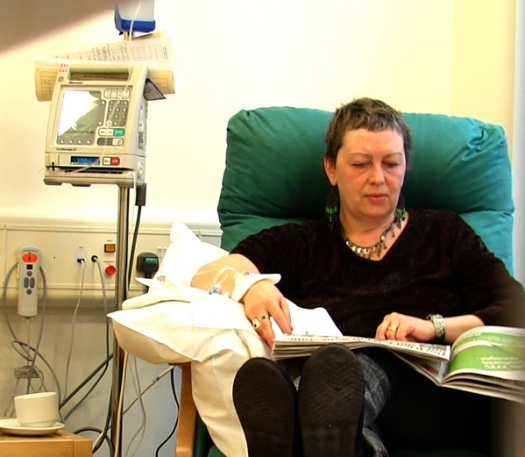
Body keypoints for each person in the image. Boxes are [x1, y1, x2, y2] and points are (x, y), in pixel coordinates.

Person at [191, 97, 525, 457]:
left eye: (392, 164)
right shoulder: (302, 244)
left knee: (342, 375)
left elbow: (514, 306)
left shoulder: (446, 235)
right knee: (330, 383)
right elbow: (204, 274)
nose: (378, 178)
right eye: (361, 164)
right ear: (331, 169)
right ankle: (338, 440)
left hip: (431, 406)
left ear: (406, 166)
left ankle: (292, 430)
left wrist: (434, 327)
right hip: (333, 404)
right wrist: (249, 285)